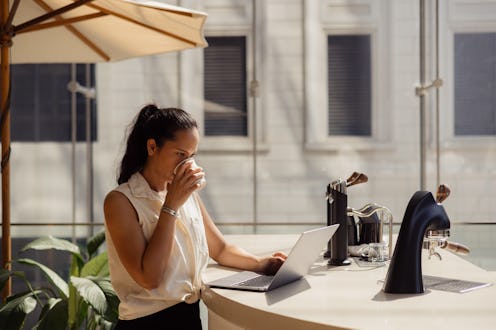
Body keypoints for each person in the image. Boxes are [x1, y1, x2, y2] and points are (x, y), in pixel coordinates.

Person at [103, 104, 286, 329]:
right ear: (152, 147)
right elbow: (148, 278)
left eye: (191, 156)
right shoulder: (121, 201)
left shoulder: (185, 194)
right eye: (180, 154)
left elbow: (220, 249)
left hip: (189, 316)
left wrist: (263, 264)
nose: (186, 164)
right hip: (146, 322)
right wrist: (171, 205)